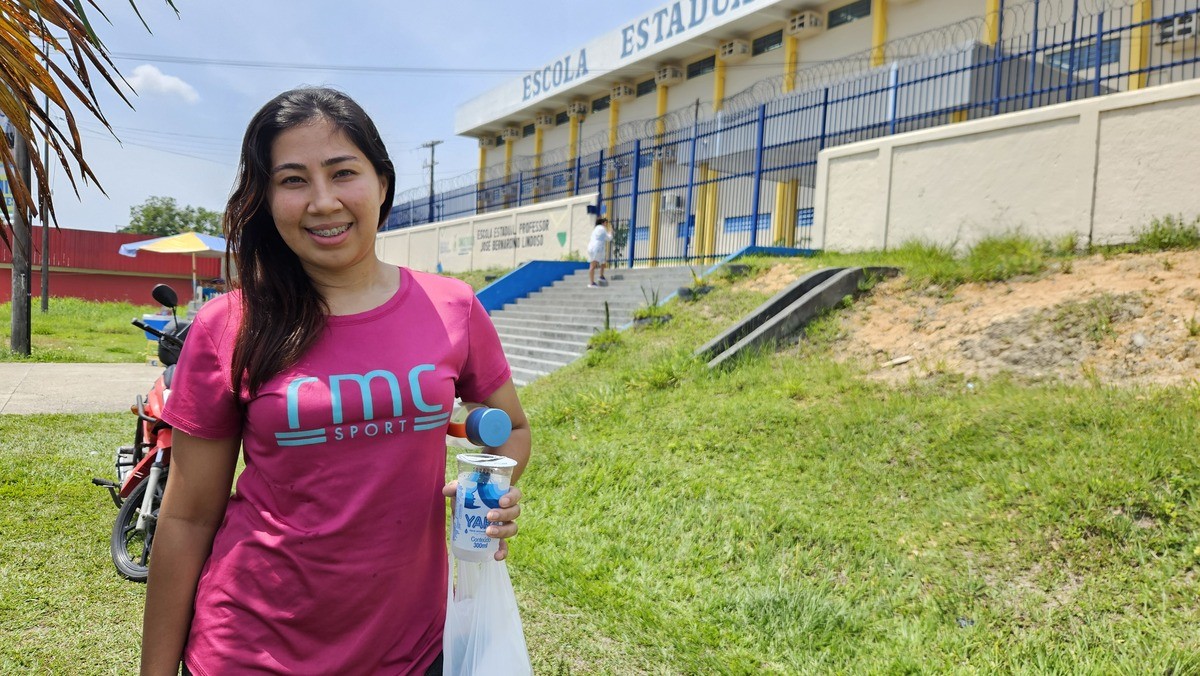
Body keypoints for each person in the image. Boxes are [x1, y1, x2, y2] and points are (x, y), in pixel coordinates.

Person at [140, 87, 530, 676]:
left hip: (413, 651)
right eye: (293, 180)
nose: (323, 202)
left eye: (343, 172)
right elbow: (189, 517)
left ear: (381, 182)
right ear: (266, 198)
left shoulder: (452, 306)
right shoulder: (230, 325)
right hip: (251, 651)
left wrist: (492, 492)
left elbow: (513, 429)